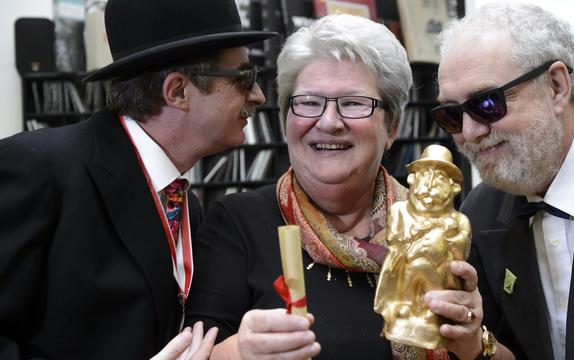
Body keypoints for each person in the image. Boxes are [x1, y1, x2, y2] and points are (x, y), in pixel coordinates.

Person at [0, 0, 275, 358]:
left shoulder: (183, 201)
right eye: (244, 78)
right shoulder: (39, 168)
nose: (259, 95)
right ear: (177, 91)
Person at [185, 13, 468, 359]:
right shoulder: (235, 225)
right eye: (308, 102)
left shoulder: (436, 231)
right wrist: (237, 353)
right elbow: (195, 352)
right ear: (286, 119)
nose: (329, 122)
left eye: (353, 103)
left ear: (392, 126)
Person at [425, 2, 574, 359]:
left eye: (488, 103)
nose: (468, 133)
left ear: (556, 86)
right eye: (451, 115)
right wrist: (476, 345)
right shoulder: (479, 213)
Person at [374, 145, 471, 350]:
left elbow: (460, 254)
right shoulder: (399, 211)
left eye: (438, 182)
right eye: (424, 179)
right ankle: (406, 309)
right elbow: (394, 241)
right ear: (411, 181)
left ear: (453, 188)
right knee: (412, 270)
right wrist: (419, 240)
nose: (429, 188)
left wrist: (445, 240)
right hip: (406, 270)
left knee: (434, 275)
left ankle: (430, 312)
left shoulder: (458, 220)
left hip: (439, 274)